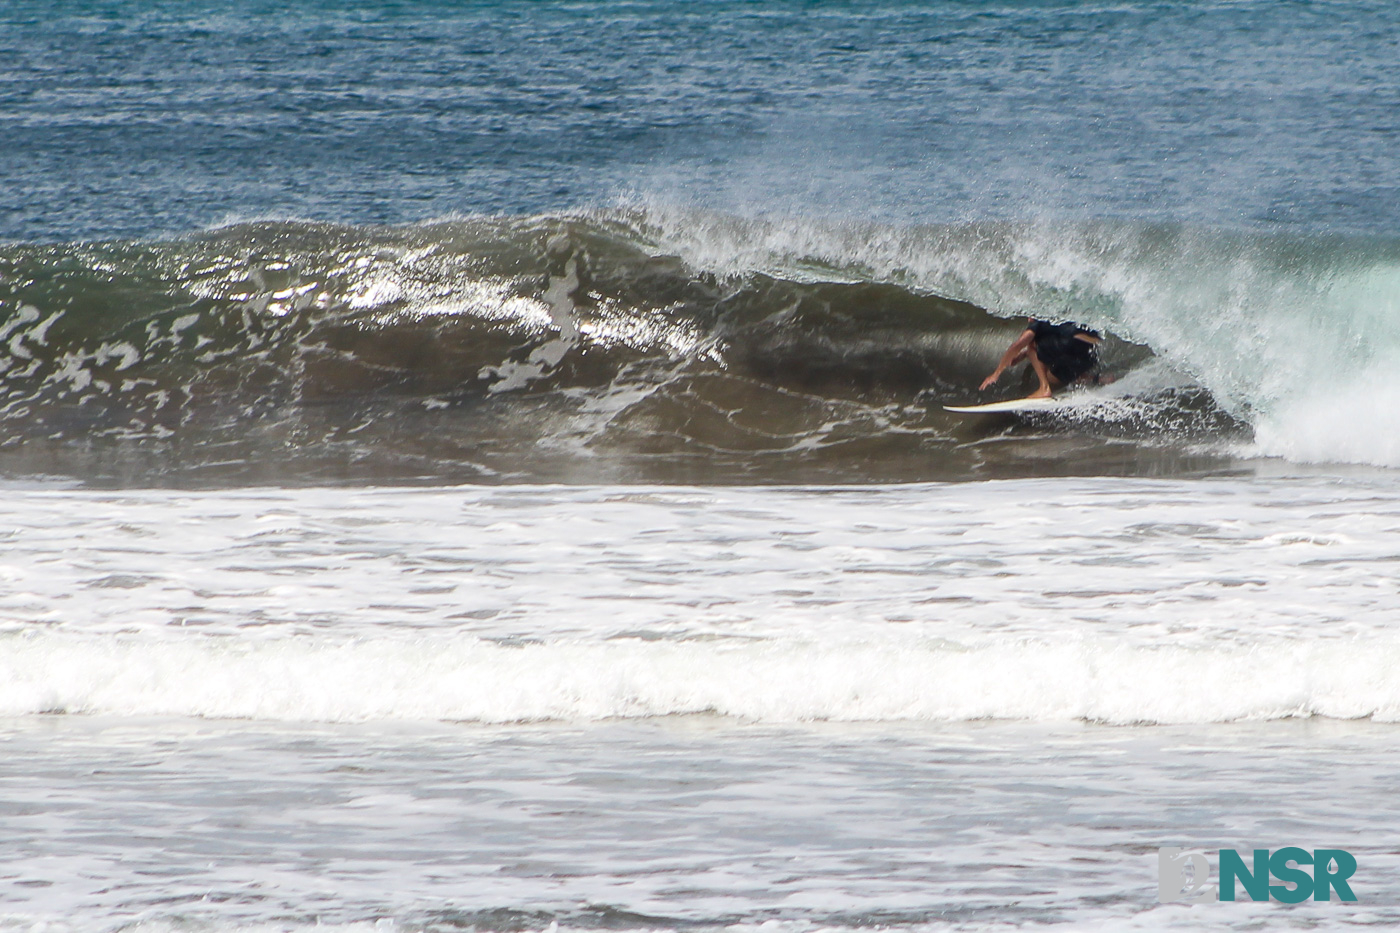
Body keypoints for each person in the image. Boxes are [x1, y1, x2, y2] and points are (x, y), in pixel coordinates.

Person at [979, 318, 1103, 398]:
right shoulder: (1058, 317)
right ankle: (1097, 379)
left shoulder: (1037, 321)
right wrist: (1024, 355)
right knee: (1053, 378)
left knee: (1031, 344)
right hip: (1092, 353)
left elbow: (1017, 345)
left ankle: (1044, 388)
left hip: (1072, 348)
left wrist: (996, 373)